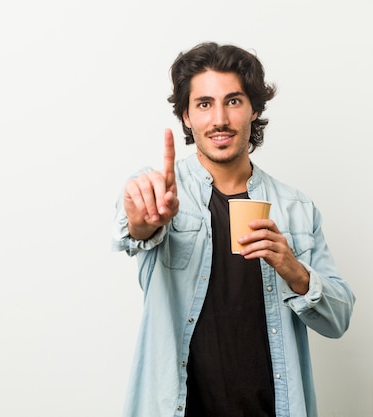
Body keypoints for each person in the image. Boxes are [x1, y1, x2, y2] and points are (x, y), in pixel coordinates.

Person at [111, 42, 355, 417]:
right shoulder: (159, 191)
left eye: (234, 101)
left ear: (254, 109)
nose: (219, 118)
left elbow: (338, 320)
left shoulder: (296, 209)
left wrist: (294, 270)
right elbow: (134, 228)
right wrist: (145, 222)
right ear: (187, 116)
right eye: (204, 104)